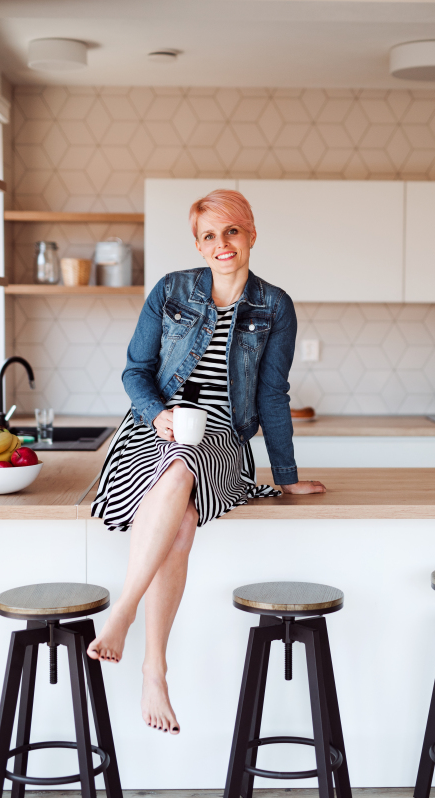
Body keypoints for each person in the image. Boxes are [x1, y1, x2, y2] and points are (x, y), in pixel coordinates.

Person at [87, 189, 326, 734]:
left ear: (251, 233)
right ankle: (154, 667)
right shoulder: (171, 290)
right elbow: (134, 372)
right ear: (198, 243)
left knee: (182, 467)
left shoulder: (275, 305)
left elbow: (271, 395)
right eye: (210, 236)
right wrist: (157, 414)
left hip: (220, 438)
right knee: (183, 516)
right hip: (153, 430)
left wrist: (284, 477)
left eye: (232, 232)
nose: (223, 244)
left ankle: (124, 614)